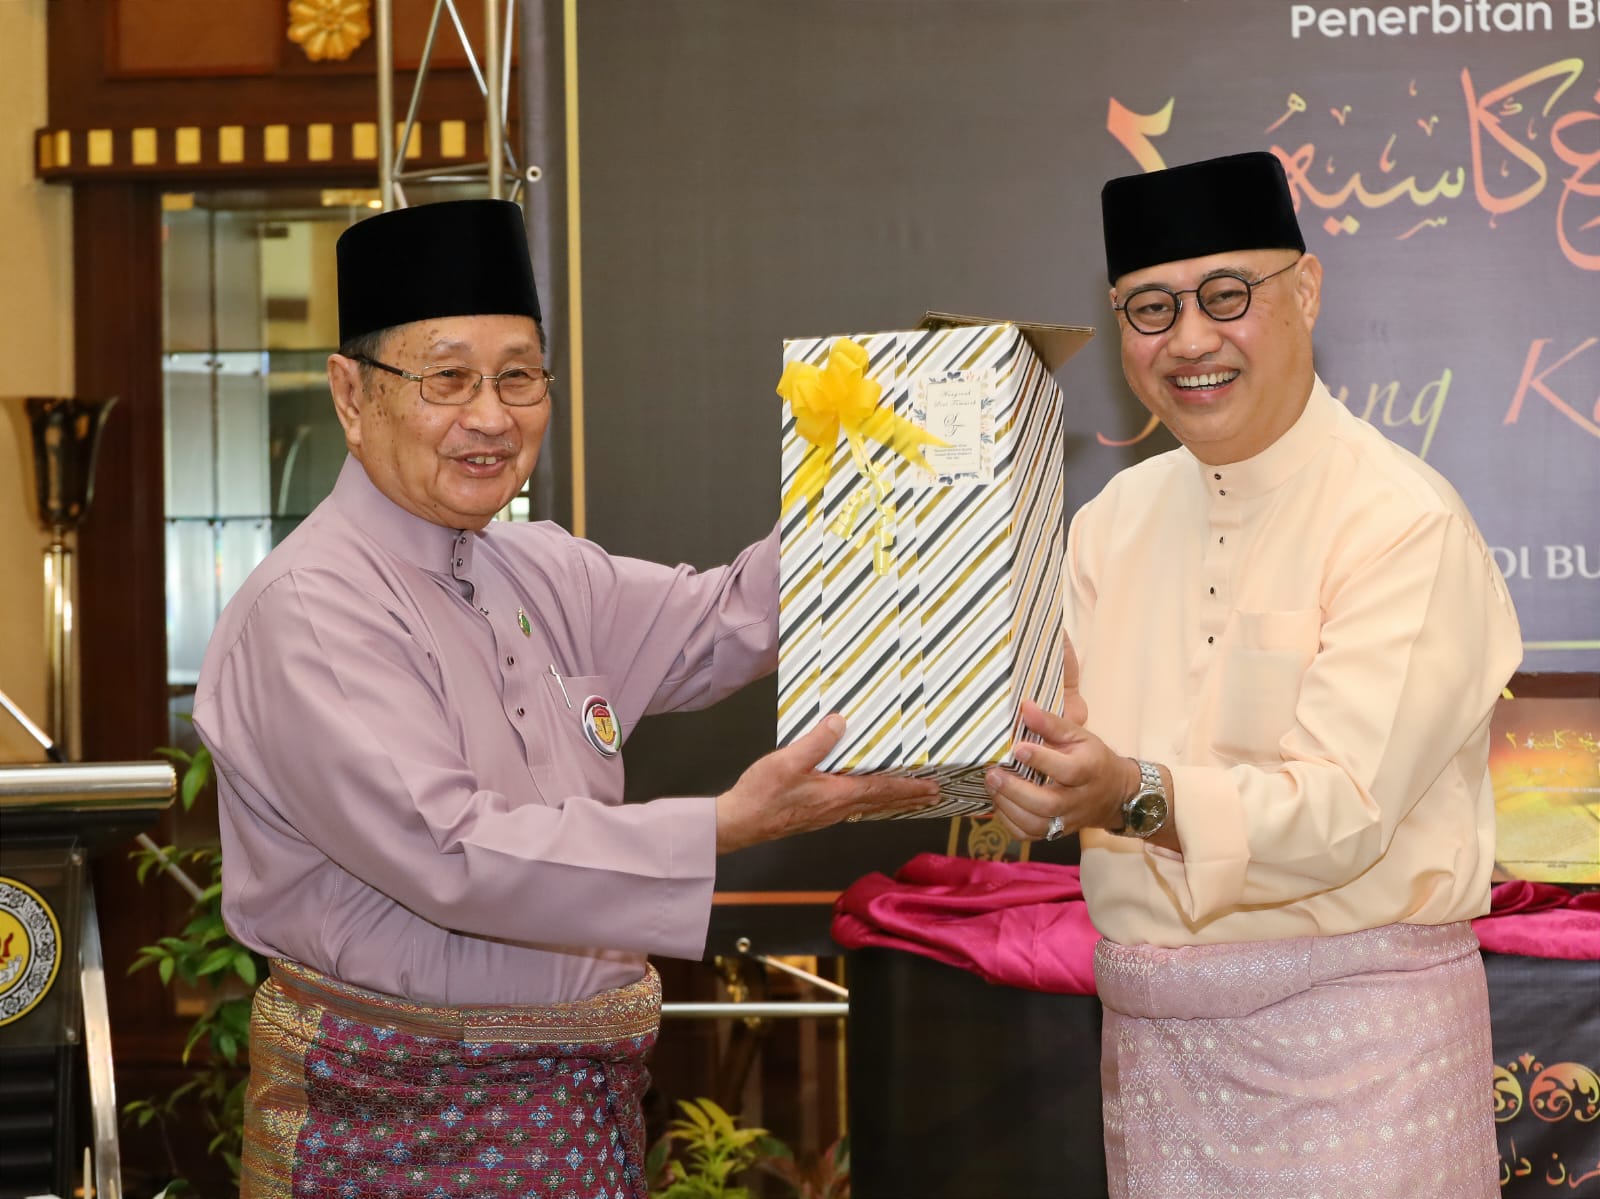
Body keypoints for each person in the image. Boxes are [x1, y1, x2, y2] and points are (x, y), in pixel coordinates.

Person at [191, 198, 937, 1199]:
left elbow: (731, 616)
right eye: (448, 378)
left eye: (518, 376)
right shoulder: (311, 607)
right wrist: (722, 825)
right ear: (351, 394)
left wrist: (879, 462)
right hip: (395, 1138)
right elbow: (453, 852)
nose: (491, 416)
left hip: (578, 1117)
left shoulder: (537, 566)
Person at [983, 152, 1522, 1199]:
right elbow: (1055, 749)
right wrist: (1022, 767)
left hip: (1364, 1062)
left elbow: (1342, 809)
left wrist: (1126, 792)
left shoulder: (1399, 521)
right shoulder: (1108, 524)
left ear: (1305, 290)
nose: (1189, 340)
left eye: (1226, 294)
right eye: (1151, 308)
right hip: (1157, 1065)